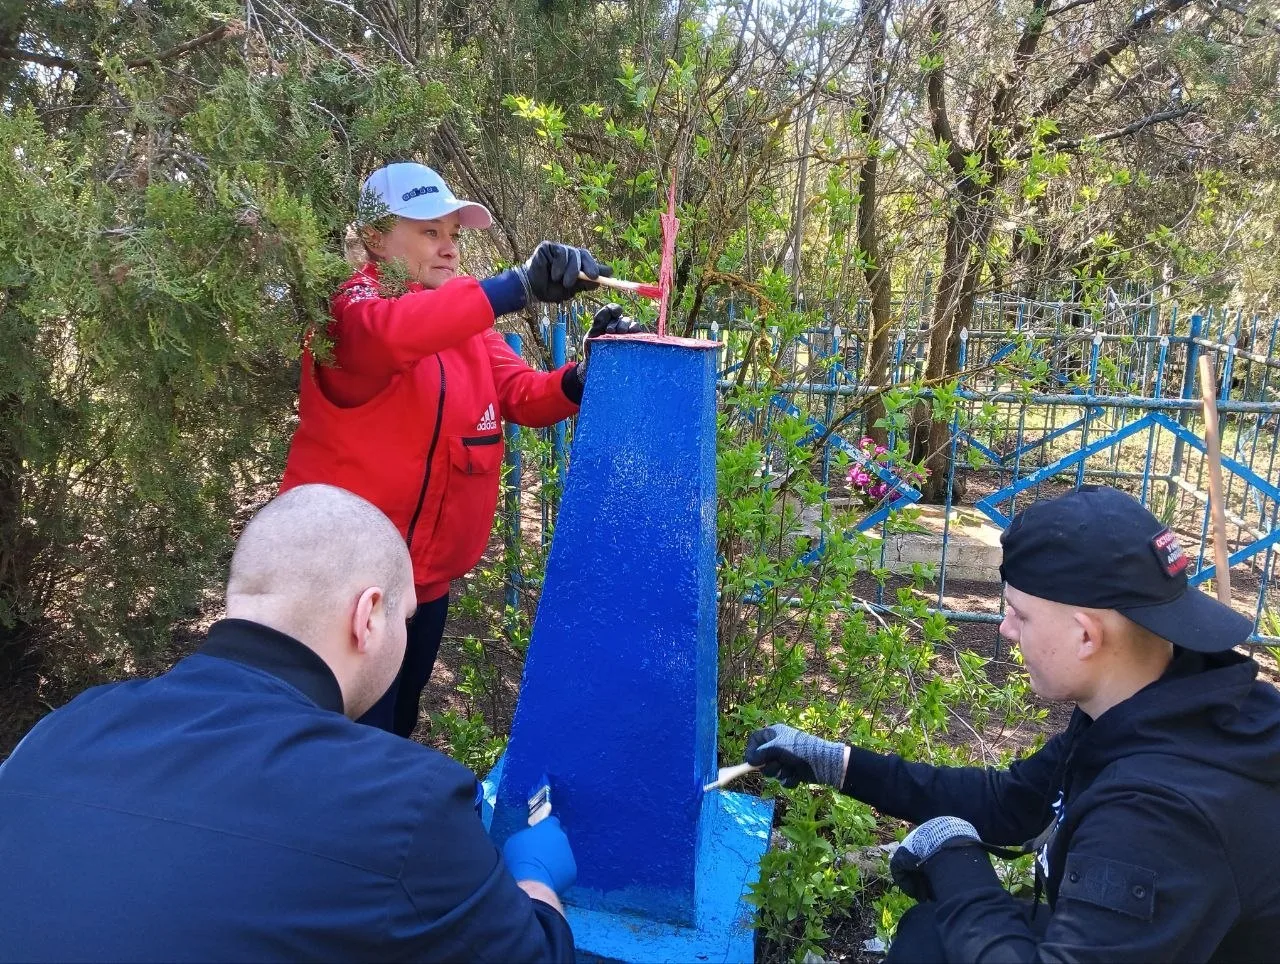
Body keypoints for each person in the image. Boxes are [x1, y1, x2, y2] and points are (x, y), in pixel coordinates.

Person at [0, 485, 578, 963]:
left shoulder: (61, 729)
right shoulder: (409, 804)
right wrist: (535, 881)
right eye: (406, 618)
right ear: (368, 616)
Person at [744, 485, 1280, 962]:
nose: (1005, 630)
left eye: (1019, 613)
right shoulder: (1153, 703)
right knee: (932, 935)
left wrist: (957, 865)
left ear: (1085, 636)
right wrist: (837, 764)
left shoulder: (1157, 813)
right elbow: (1012, 804)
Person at [281, 161, 641, 738]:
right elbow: (391, 334)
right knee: (338, 743)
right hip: (341, 589)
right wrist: (516, 286)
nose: (449, 249)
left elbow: (523, 394)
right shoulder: (348, 311)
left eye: (453, 234)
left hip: (423, 588)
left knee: (392, 731)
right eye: (429, 232)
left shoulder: (466, 325)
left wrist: (585, 373)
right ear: (375, 238)